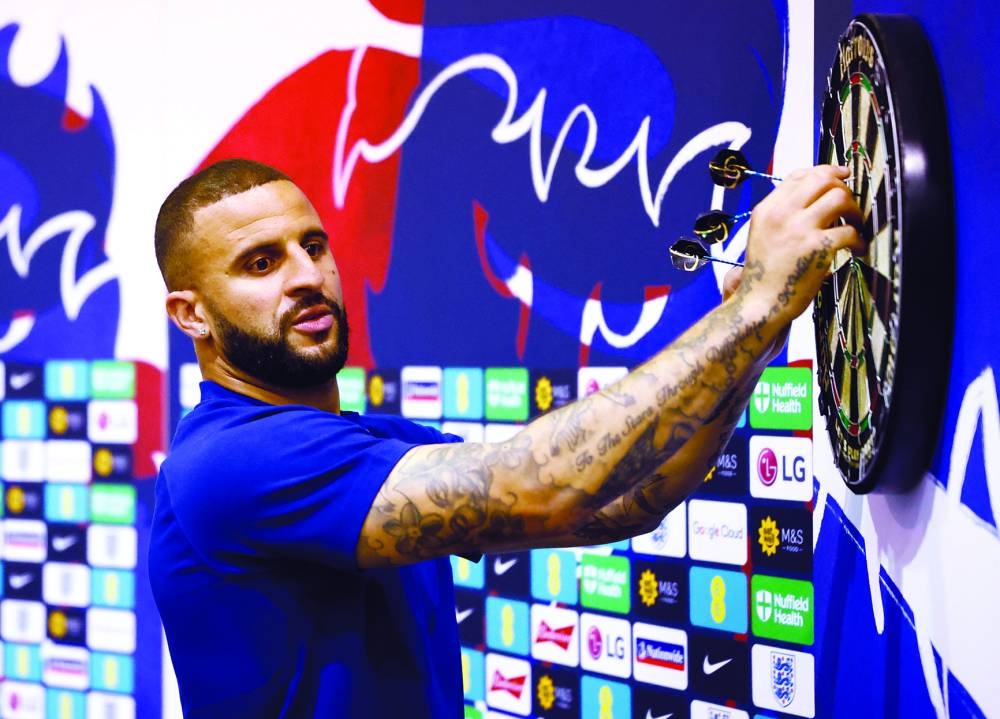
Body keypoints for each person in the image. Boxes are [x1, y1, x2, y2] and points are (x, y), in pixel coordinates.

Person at [149, 158, 861, 718]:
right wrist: (757, 304)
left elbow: (624, 499)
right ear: (193, 315)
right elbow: (547, 485)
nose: (308, 276)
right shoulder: (229, 463)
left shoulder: (363, 443)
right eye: (261, 263)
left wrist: (754, 328)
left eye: (312, 245)